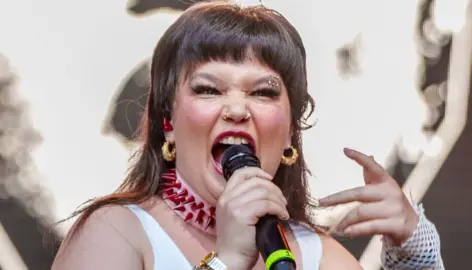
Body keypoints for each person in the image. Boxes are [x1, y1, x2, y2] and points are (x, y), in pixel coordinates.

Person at [51, 2, 442, 269]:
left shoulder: (314, 254)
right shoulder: (116, 230)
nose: (237, 109)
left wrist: (414, 250)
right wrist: (227, 260)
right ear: (167, 121)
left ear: (290, 131)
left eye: (263, 92)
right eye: (208, 89)